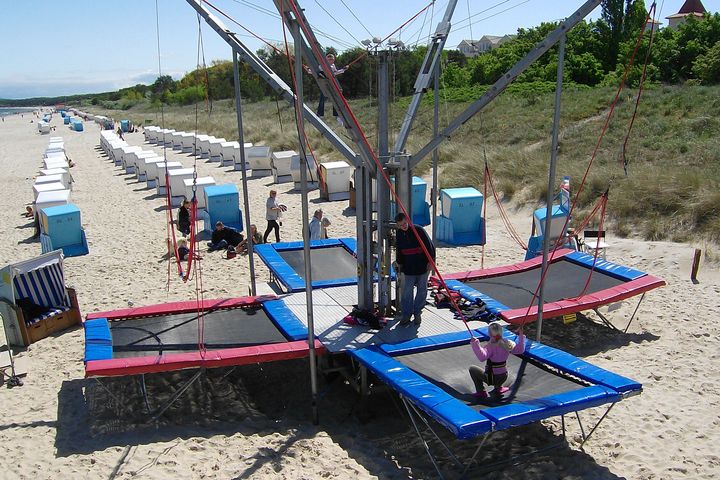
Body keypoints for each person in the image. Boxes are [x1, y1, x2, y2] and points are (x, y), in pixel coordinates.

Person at [395, 212, 435, 326]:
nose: (403, 226)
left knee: (422, 290)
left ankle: (417, 313)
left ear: (407, 220)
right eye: (400, 225)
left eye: (404, 223)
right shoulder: (399, 234)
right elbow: (399, 250)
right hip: (408, 268)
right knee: (407, 292)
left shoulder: (419, 230)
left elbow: (429, 246)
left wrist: (431, 261)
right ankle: (406, 314)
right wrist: (400, 264)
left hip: (422, 266)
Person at [469, 321, 526, 399]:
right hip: (503, 377)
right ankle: (499, 387)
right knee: (499, 368)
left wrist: (475, 343)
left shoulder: (491, 346)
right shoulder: (507, 343)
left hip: (492, 379)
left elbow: (482, 357)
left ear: (489, 333)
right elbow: (520, 350)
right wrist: (521, 335)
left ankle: (481, 391)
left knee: (472, 369)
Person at [316, 53, 347, 125]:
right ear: (326, 60)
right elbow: (332, 74)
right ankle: (319, 114)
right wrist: (343, 70)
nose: (331, 61)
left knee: (336, 100)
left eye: (332, 59)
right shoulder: (322, 66)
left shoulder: (333, 66)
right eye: (329, 59)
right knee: (322, 100)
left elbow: (334, 73)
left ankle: (337, 115)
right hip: (325, 85)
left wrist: (343, 69)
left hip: (332, 85)